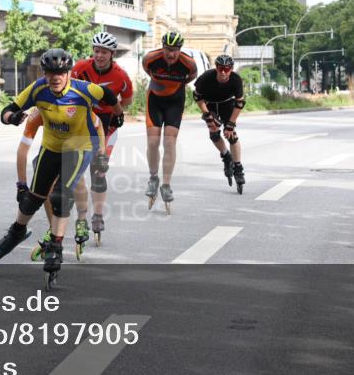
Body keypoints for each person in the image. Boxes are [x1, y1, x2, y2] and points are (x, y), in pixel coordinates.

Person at [0, 49, 122, 286]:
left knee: (61, 195)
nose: (55, 77)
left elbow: (109, 95)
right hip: (51, 148)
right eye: (50, 72)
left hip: (81, 146)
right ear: (44, 73)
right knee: (32, 198)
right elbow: (6, 110)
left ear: (69, 72)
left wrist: (118, 115)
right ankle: (17, 232)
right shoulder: (38, 89)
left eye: (61, 72)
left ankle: (56, 245)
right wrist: (11, 118)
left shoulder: (83, 90)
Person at [15, 108, 106, 260]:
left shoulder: (76, 106)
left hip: (80, 141)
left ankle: (82, 220)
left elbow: (99, 125)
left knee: (75, 177)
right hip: (53, 147)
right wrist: (22, 185)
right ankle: (54, 230)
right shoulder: (38, 113)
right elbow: (22, 151)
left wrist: (102, 153)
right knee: (44, 184)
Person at [71, 31, 133, 245]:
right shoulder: (80, 68)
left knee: (98, 169)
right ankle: (81, 214)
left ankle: (97, 215)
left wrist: (117, 113)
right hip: (83, 119)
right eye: (96, 51)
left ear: (111, 54)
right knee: (77, 167)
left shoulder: (120, 75)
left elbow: (127, 100)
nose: (99, 55)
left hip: (107, 122)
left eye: (104, 52)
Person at [141, 31, 198, 212]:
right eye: (167, 50)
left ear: (180, 50)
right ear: (162, 48)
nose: (170, 54)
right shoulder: (151, 58)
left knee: (170, 141)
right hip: (155, 100)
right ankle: (153, 178)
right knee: (152, 141)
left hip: (175, 101)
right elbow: (146, 69)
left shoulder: (188, 63)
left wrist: (174, 85)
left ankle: (166, 184)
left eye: (174, 50)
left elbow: (192, 76)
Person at [193, 54, 246, 191]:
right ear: (216, 67)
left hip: (227, 104)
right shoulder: (206, 78)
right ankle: (226, 155)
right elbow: (197, 97)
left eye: (227, 69)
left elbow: (240, 103)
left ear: (231, 69)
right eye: (220, 68)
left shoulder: (235, 79)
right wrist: (206, 115)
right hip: (210, 105)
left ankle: (238, 167)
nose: (223, 72)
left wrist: (231, 124)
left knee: (231, 135)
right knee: (214, 133)